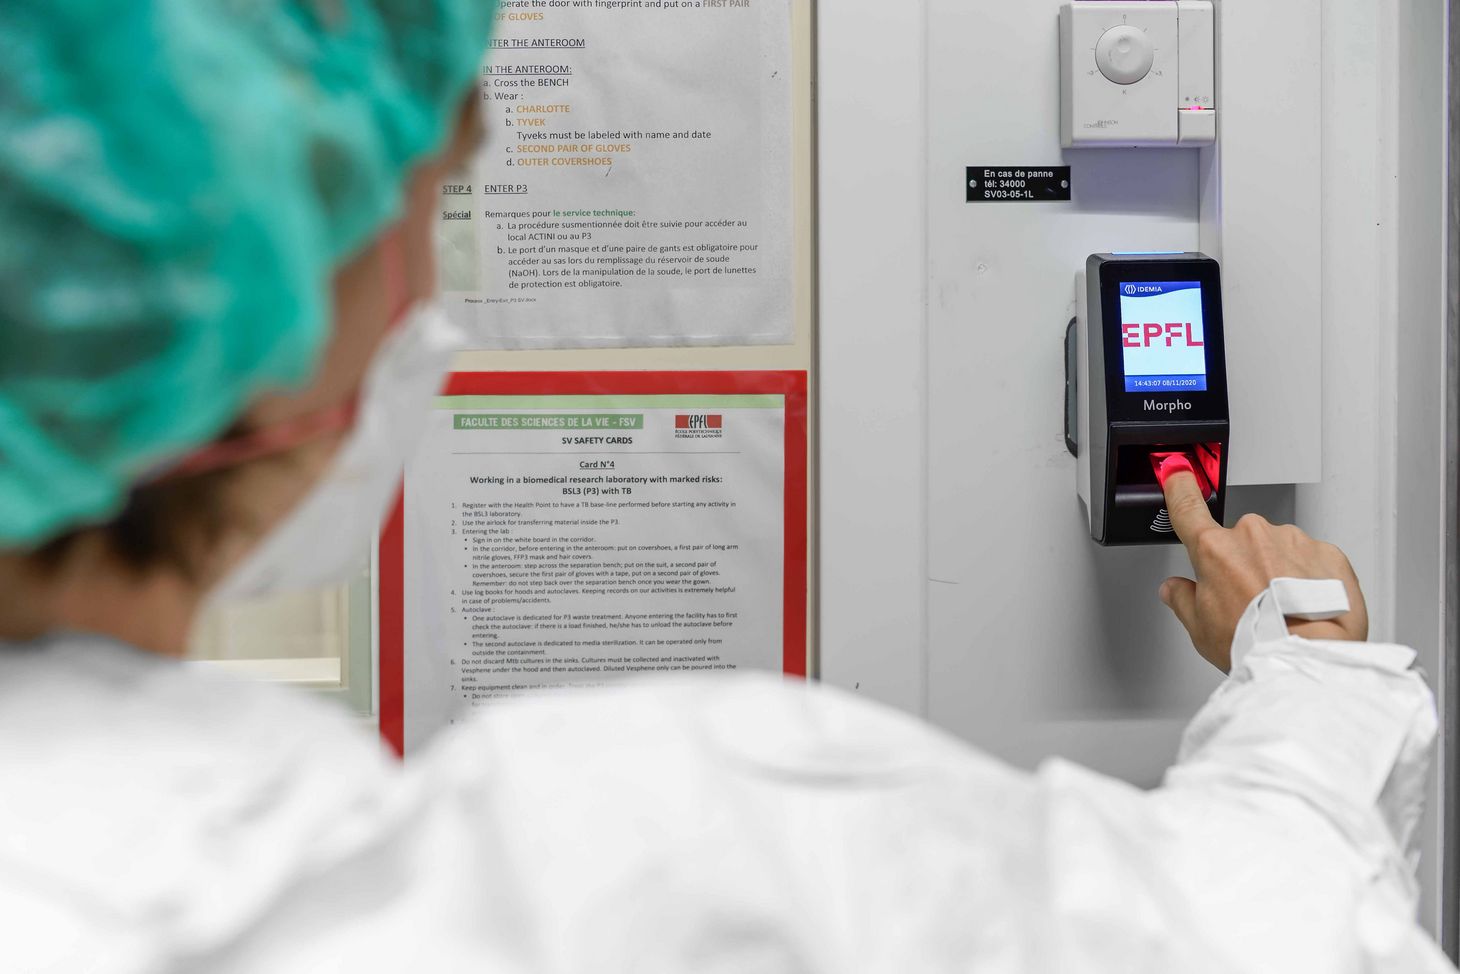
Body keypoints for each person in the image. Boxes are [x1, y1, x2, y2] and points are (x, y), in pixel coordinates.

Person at [0, 2, 1450, 971]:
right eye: (428, 201)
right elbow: (1268, 932)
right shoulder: (600, 870)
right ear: (290, 321)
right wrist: (1313, 671)